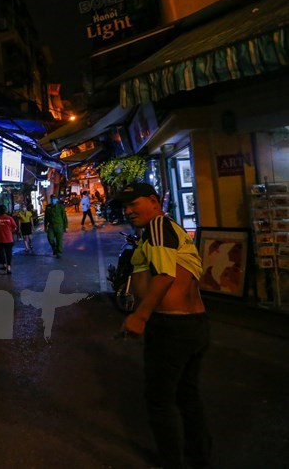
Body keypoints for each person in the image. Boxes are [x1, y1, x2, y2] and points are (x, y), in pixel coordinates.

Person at [118, 183, 210, 469]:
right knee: (186, 395)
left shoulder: (158, 224)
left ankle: (172, 462)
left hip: (171, 327)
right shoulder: (169, 230)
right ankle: (200, 458)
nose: (128, 211)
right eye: (125, 206)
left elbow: (165, 276)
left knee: (159, 401)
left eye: (135, 203)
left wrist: (140, 316)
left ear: (154, 201)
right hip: (194, 326)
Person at [0, 205, 17, 273]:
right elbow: (15, 227)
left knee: (1, 253)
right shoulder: (9, 218)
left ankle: (4, 265)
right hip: (9, 239)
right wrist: (10, 232)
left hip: (0, 239)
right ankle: (9, 267)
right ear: (5, 211)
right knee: (8, 253)